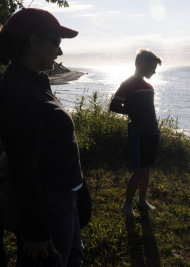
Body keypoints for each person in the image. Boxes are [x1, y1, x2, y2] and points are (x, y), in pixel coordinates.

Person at [0, 8, 84, 266]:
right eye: (56, 42)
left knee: (73, 259)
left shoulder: (38, 81)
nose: (60, 52)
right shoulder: (16, 90)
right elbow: (22, 165)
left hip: (63, 195)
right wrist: (36, 229)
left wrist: (81, 191)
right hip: (47, 204)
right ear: (34, 42)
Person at [109, 49, 161, 217]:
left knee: (146, 168)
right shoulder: (129, 83)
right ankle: (127, 204)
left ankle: (142, 200)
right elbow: (114, 105)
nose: (154, 71)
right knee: (139, 169)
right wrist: (133, 113)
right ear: (143, 64)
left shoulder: (149, 86)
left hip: (152, 131)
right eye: (153, 67)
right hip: (138, 131)